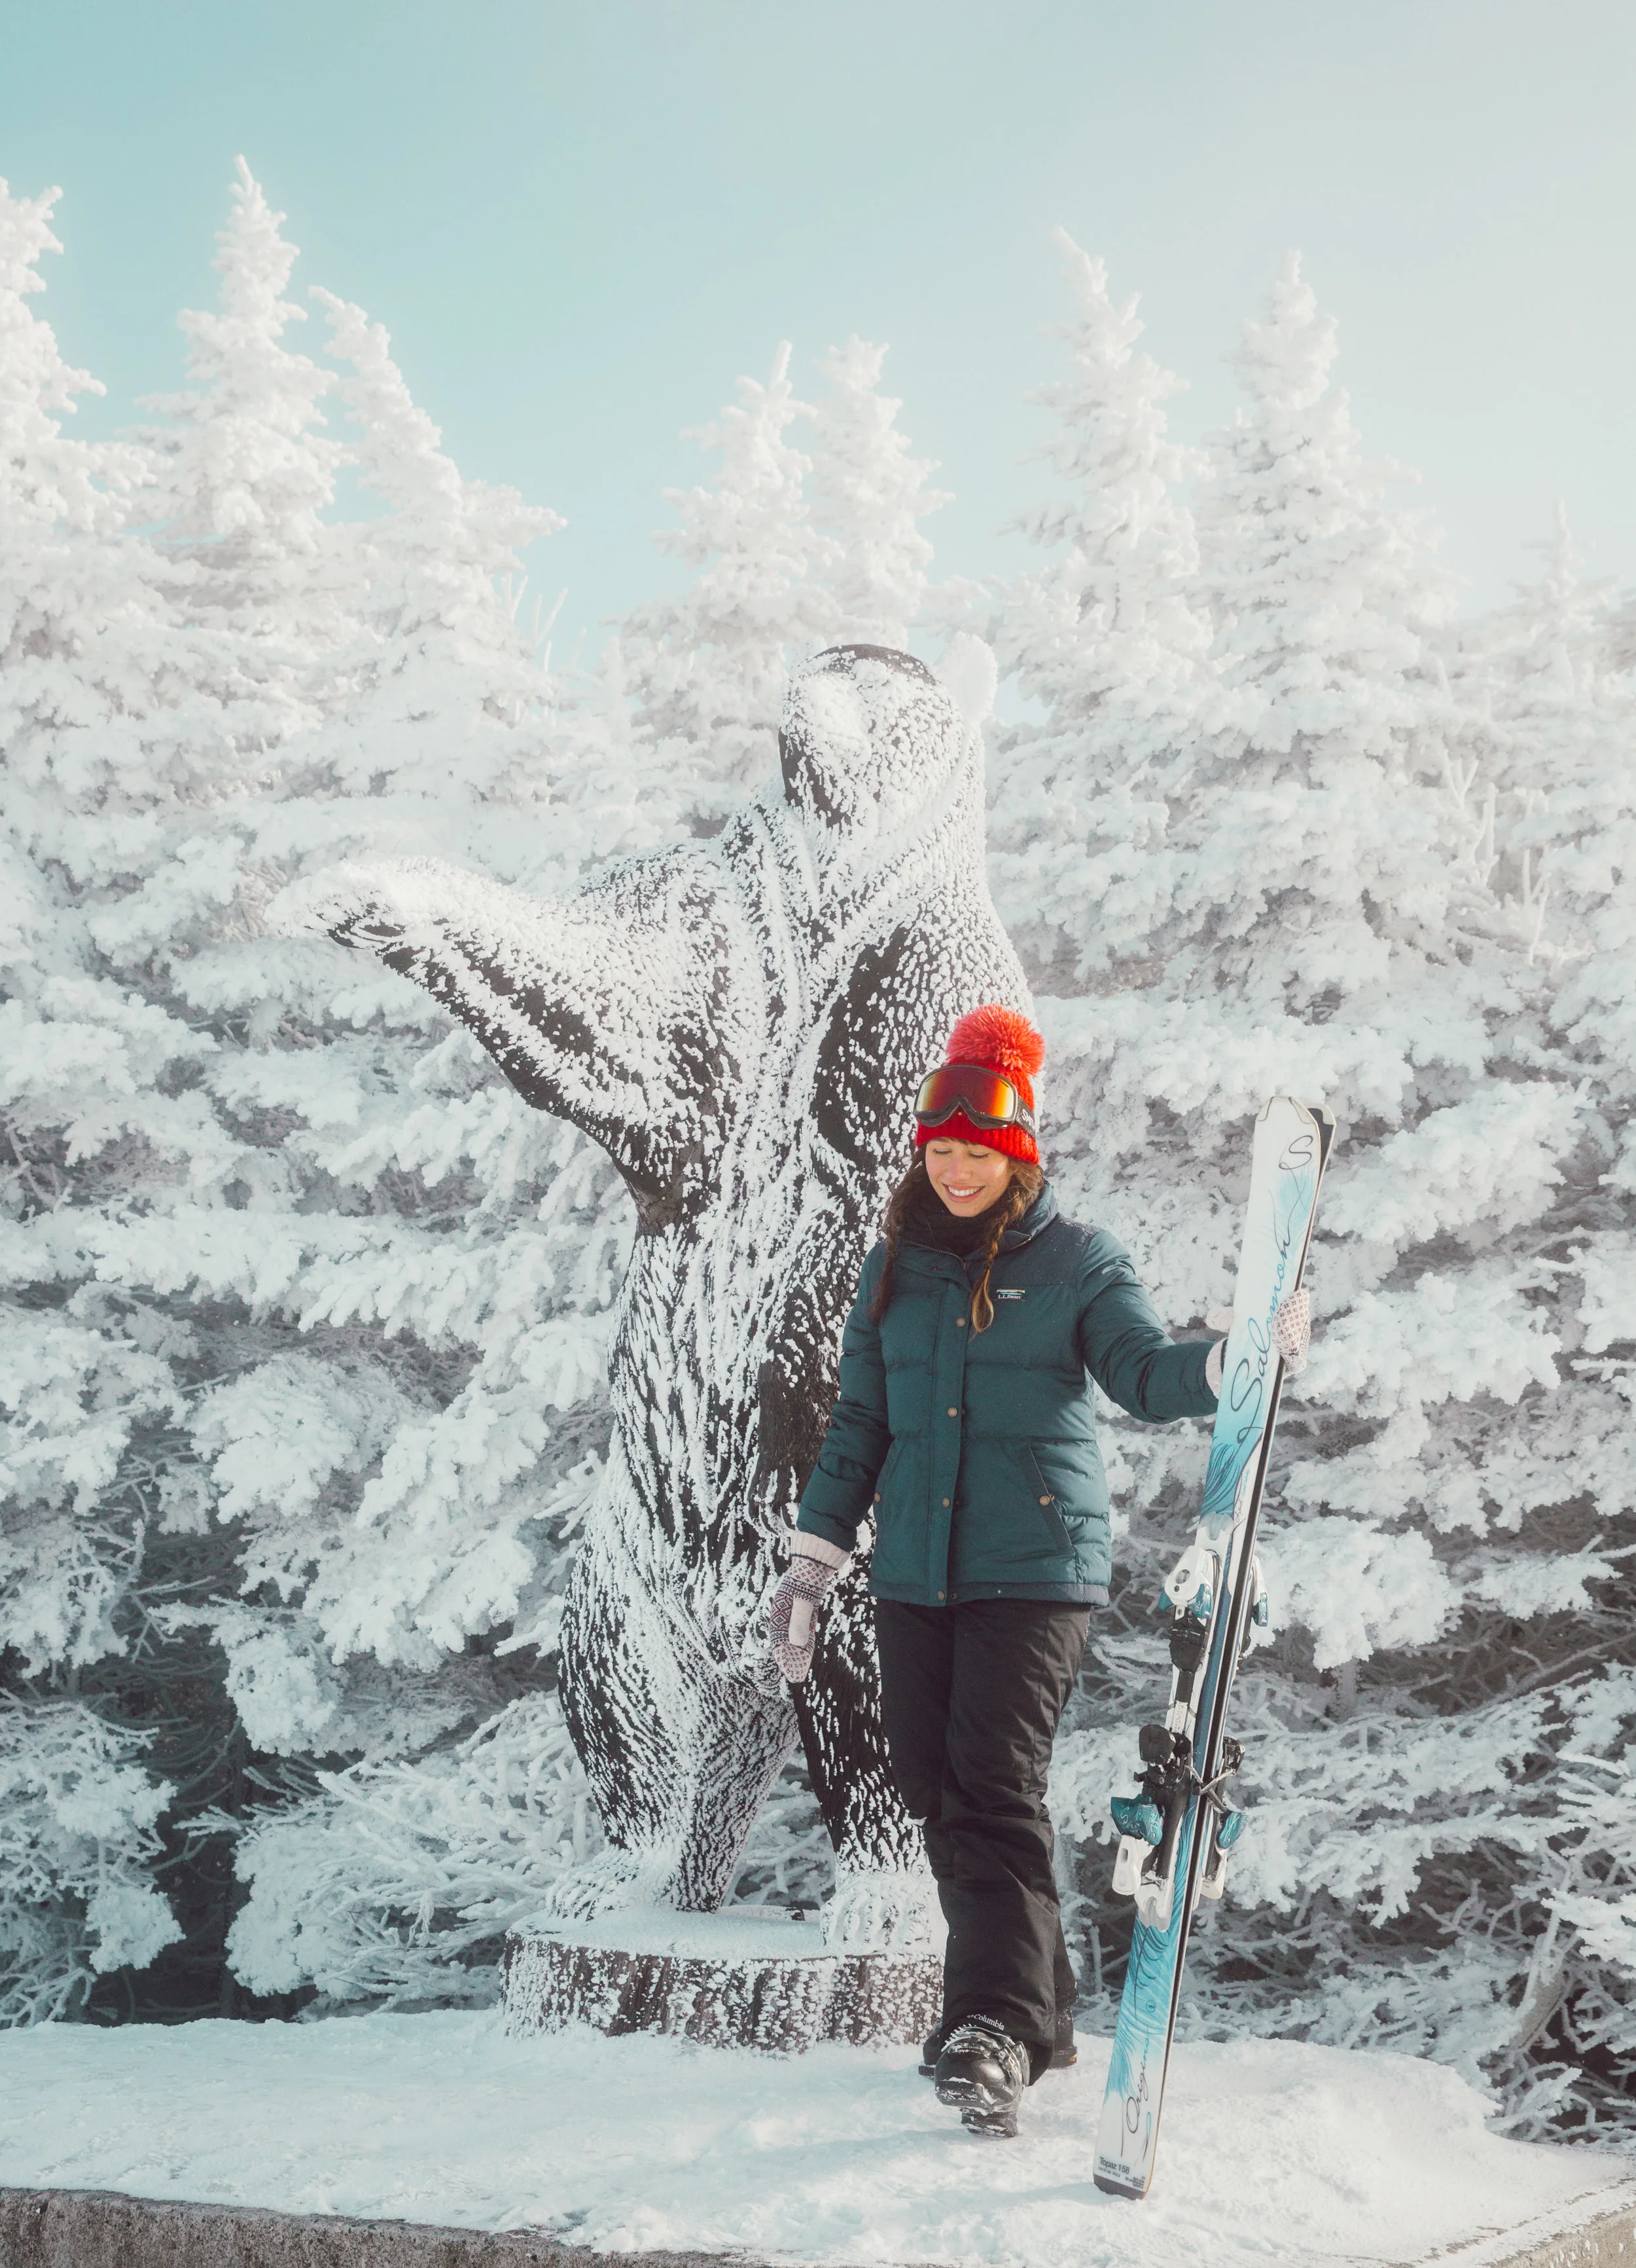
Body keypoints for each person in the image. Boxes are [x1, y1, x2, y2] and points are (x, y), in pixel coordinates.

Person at [767, 1004, 1309, 2139]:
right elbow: (860, 1422)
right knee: (937, 1793)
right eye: (943, 1149)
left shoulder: (1078, 1262)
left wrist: (1236, 1357)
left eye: (981, 1151)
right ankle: (1041, 2015)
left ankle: (992, 2030)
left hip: (1036, 1570)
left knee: (992, 1788)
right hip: (914, 1573)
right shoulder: (896, 1267)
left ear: (1018, 1155)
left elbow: (1146, 1376)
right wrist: (813, 1565)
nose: (958, 1169)